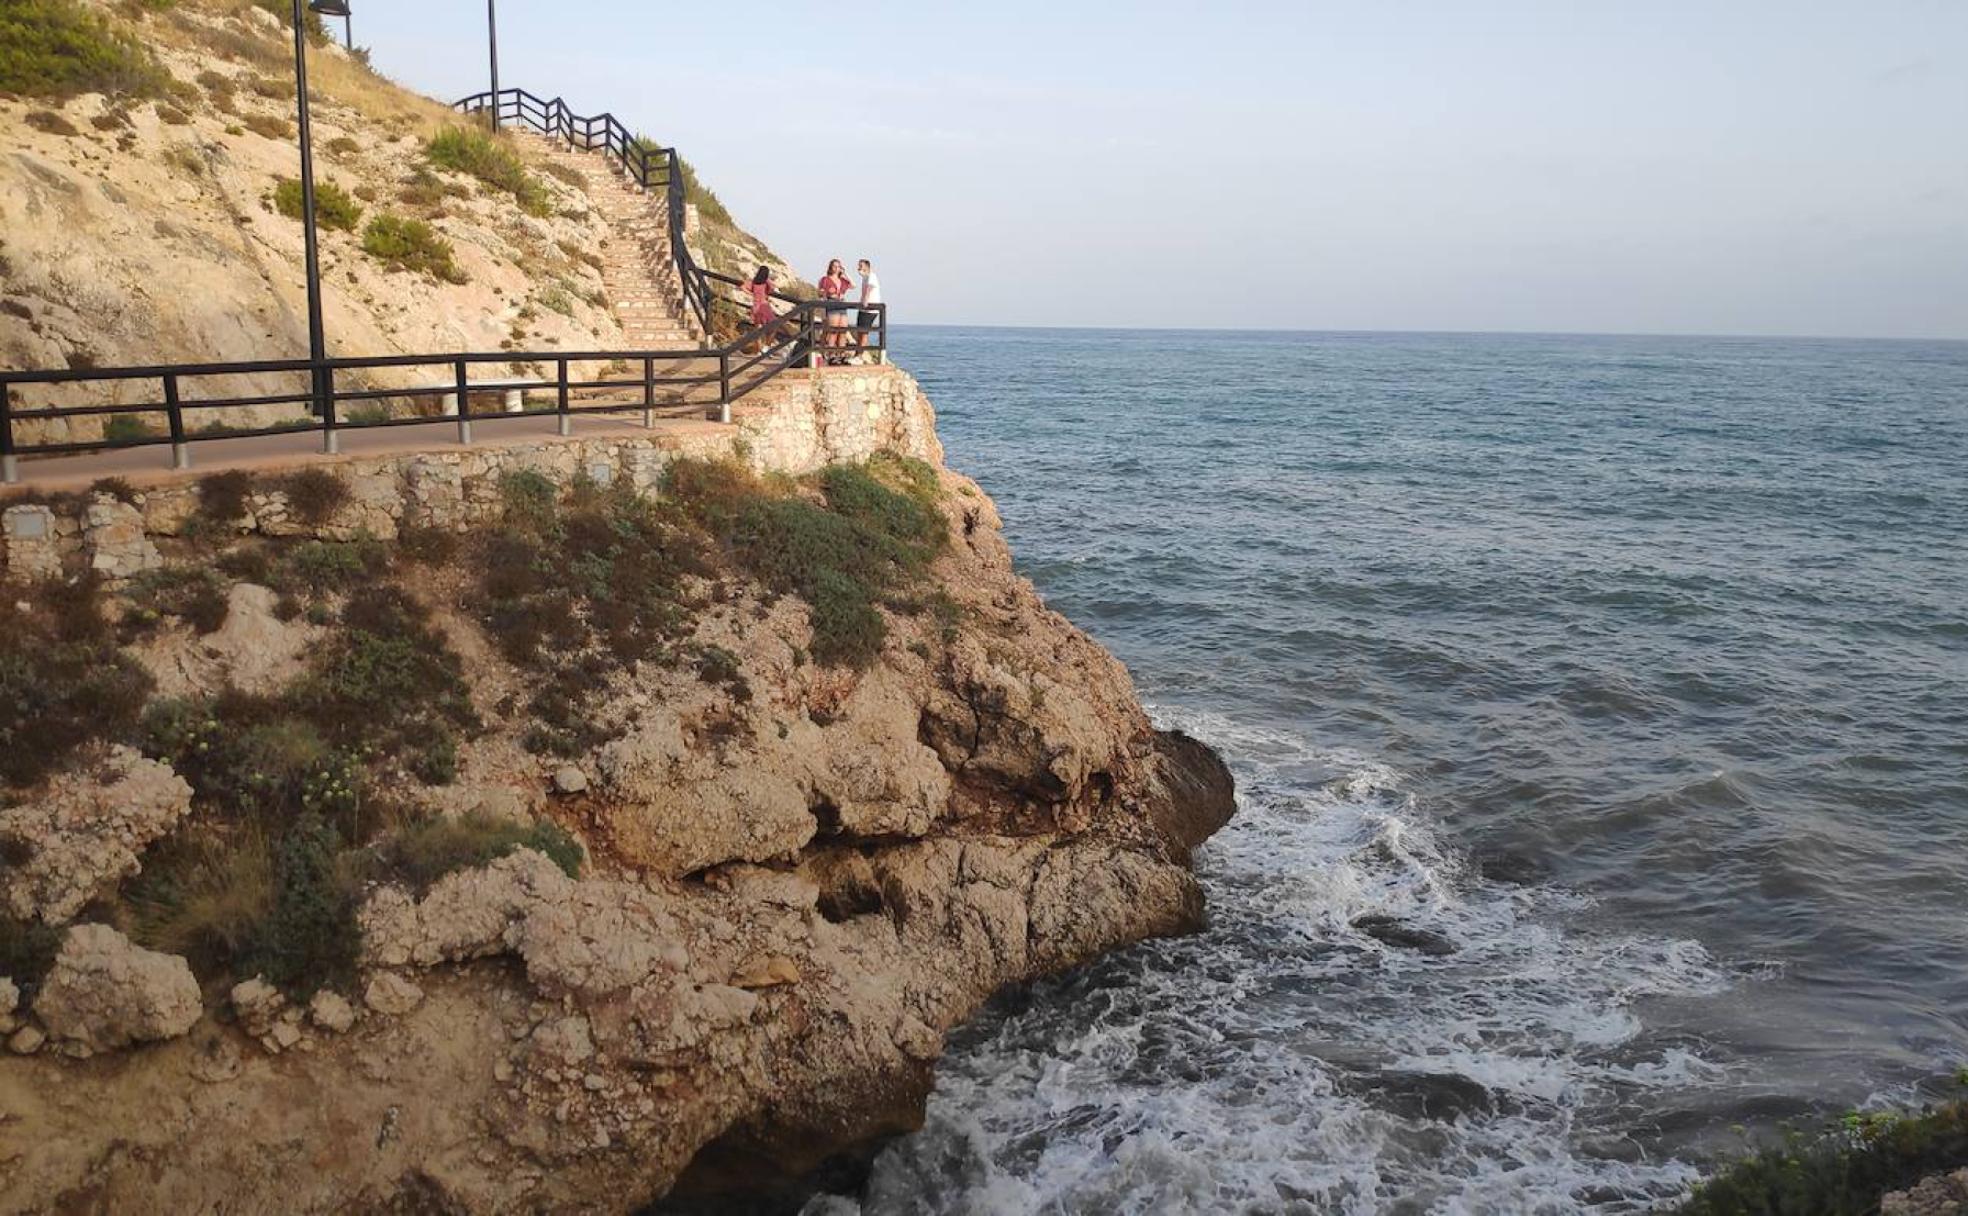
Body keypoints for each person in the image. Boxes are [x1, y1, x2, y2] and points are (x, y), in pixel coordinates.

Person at [818, 258, 853, 361]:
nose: (836, 268)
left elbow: (853, 285)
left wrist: (845, 274)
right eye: (834, 266)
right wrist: (828, 292)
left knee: (843, 331)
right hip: (832, 303)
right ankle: (832, 354)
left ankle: (841, 354)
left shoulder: (842, 280)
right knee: (833, 331)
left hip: (842, 304)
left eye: (838, 266)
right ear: (830, 267)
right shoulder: (825, 279)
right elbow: (820, 292)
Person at [855, 258, 883, 355]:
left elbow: (870, 287)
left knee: (864, 332)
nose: (859, 268)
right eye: (859, 266)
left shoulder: (872, 276)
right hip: (863, 309)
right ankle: (858, 353)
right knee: (859, 331)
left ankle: (860, 355)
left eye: (861, 266)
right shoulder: (865, 277)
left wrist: (866, 299)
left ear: (867, 267)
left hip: (870, 310)